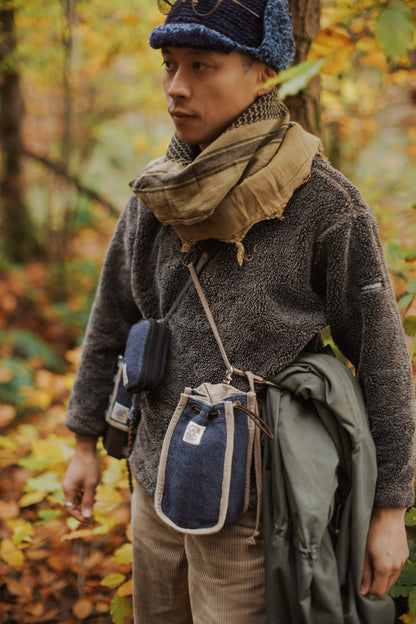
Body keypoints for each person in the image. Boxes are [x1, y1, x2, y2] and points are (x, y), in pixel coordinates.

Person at [62, 0, 416, 622]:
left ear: (261, 73)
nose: (177, 87)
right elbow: (112, 316)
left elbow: (384, 359)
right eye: (170, 65)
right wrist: (84, 438)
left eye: (202, 66)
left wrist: (390, 509)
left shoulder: (325, 204)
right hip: (152, 482)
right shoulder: (157, 192)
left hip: (254, 508)